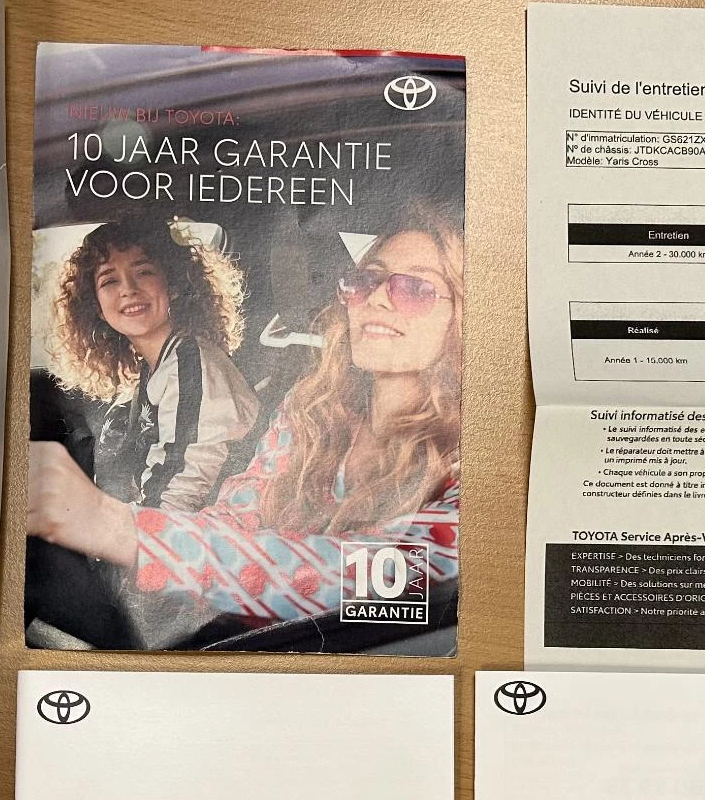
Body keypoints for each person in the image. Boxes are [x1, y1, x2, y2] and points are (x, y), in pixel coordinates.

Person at [27, 206, 463, 628]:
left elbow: (379, 577)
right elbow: (235, 517)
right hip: (241, 632)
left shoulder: (471, 465)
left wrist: (121, 531)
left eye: (415, 289)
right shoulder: (311, 409)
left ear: (462, 317)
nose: (379, 298)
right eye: (365, 280)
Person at [43, 213, 261, 512]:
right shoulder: (157, 365)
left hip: (204, 523)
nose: (128, 289)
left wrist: (131, 532)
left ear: (172, 285)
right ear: (97, 307)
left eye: (143, 272)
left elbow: (180, 491)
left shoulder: (189, 364)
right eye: (110, 280)